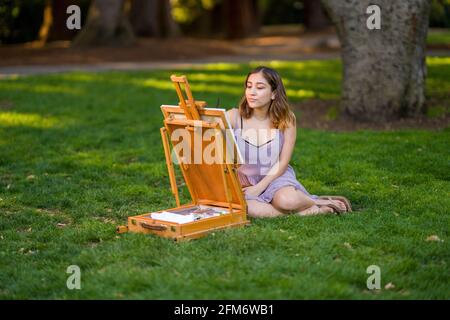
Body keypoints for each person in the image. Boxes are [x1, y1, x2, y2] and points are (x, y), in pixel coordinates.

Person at [226, 66, 352, 218]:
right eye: (249, 86)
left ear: (273, 93)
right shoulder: (234, 116)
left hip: (275, 176)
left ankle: (316, 201)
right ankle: (316, 209)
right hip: (245, 182)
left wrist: (259, 187)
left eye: (259, 87)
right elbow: (207, 131)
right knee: (248, 209)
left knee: (287, 202)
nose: (251, 92)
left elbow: (283, 162)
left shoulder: (287, 119)